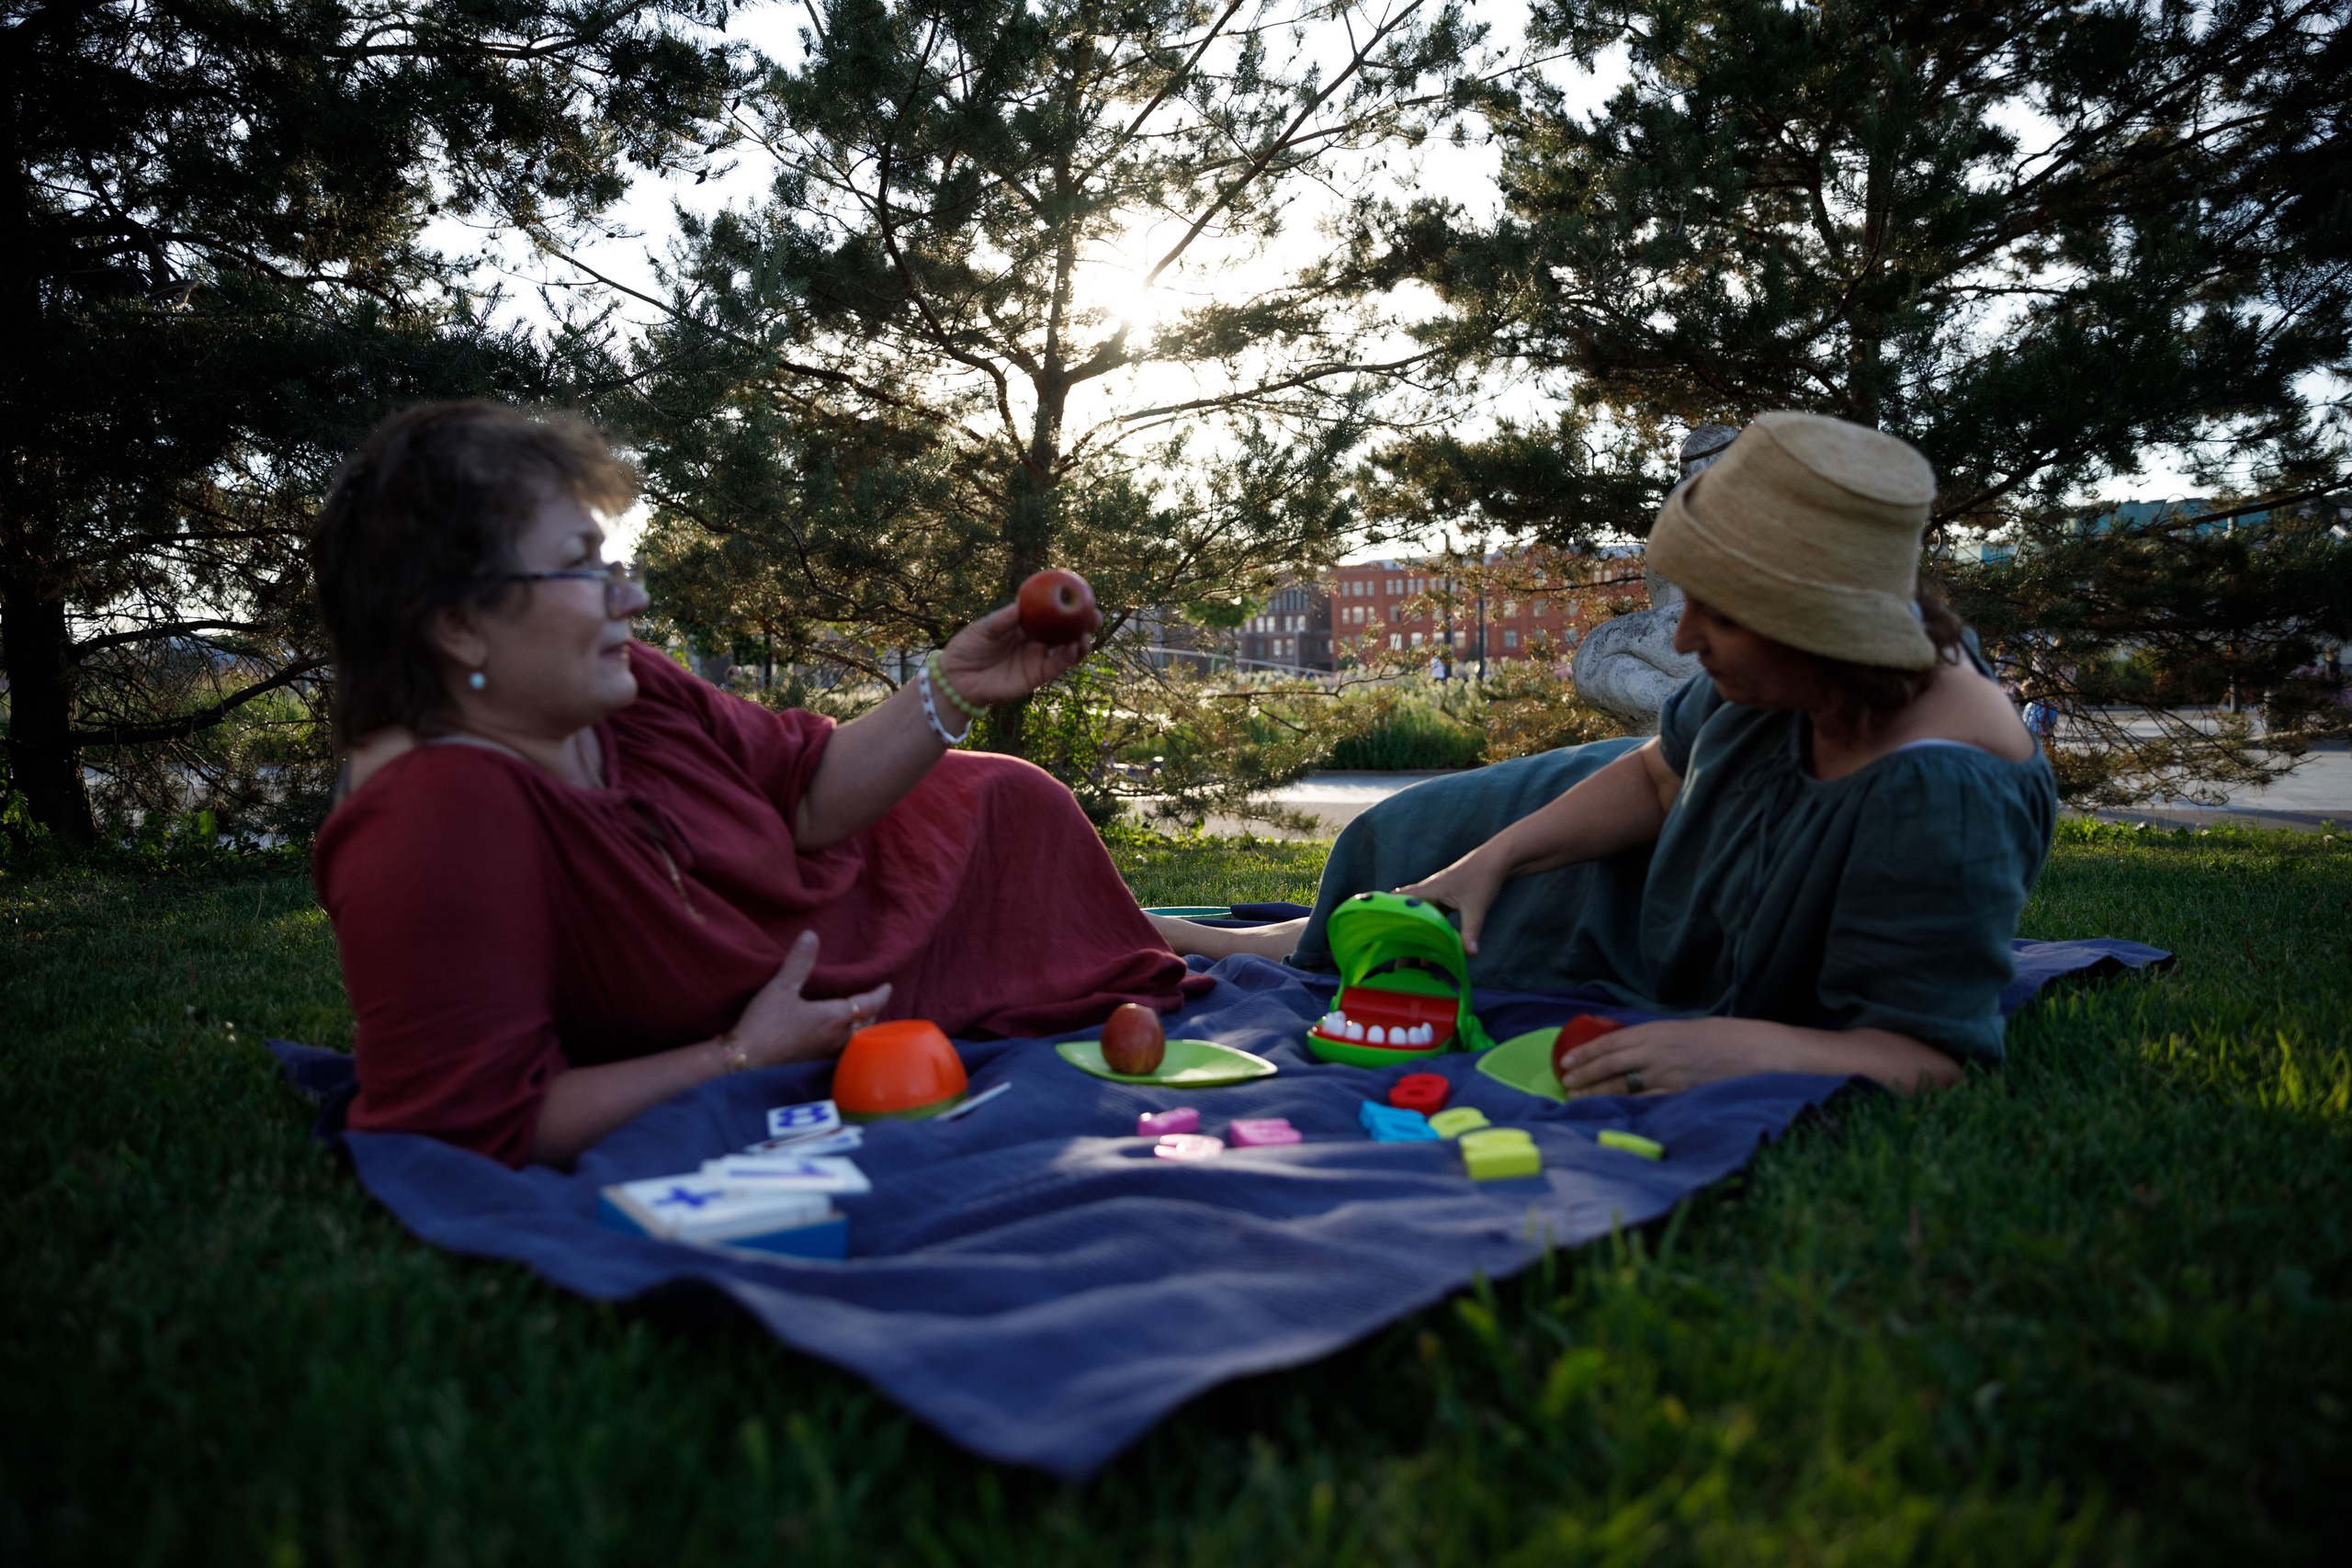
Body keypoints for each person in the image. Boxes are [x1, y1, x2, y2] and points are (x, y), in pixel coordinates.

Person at [311, 401, 1198, 1168]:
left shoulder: (629, 691)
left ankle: (1208, 936)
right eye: (583, 566)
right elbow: (476, 1123)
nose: (630, 599)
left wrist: (953, 685)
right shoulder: (430, 821)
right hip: (846, 970)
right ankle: (1221, 940)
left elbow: (809, 793)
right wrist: (737, 1057)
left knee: (1012, 799)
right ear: (461, 624)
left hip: (863, 881)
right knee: (1032, 913)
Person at [1153, 412, 2056, 1097]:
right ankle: (1266, 938)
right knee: (1402, 848)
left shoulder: (1944, 793)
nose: (1685, 637)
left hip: (1668, 924)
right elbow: (1663, 772)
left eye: (1722, 615)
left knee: (1408, 950)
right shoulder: (1792, 673)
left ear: (1820, 632)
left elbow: (1930, 1055)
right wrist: (1491, 858)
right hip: (1640, 833)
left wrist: (1748, 1048)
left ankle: (1257, 944)